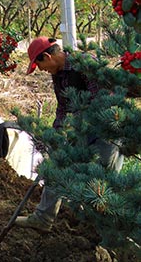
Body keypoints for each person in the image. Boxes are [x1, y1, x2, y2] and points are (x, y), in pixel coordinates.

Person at [14, 36, 123, 232]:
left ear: (47, 56)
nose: (41, 70)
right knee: (58, 165)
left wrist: (81, 126)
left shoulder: (85, 64)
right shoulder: (59, 75)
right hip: (84, 129)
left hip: (109, 128)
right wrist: (56, 136)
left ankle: (105, 231)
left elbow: (105, 100)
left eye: (39, 65)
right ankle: (43, 218)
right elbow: (63, 108)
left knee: (104, 177)